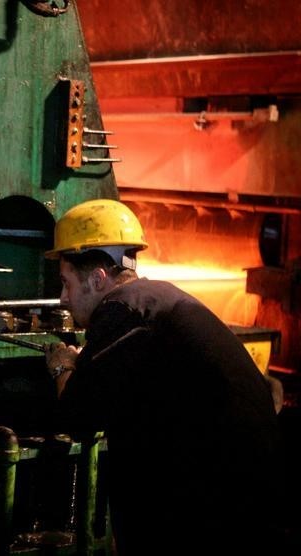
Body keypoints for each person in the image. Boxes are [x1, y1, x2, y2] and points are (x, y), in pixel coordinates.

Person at [42, 199, 288, 555]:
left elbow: (79, 415)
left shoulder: (123, 310)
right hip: (249, 492)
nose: (63, 298)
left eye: (66, 284)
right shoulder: (156, 300)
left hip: (218, 508)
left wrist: (62, 365)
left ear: (97, 279)